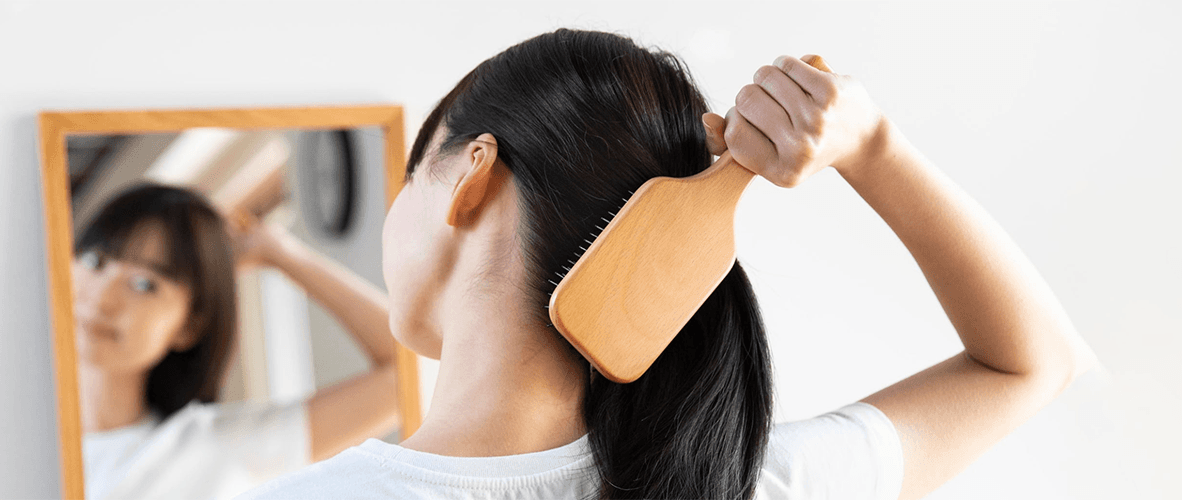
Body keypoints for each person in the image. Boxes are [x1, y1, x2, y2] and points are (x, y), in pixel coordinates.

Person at [239, 29, 1097, 500]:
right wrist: (874, 147)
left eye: (408, 175)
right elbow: (1030, 363)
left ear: (472, 176)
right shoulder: (749, 486)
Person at [72, 183, 398, 500]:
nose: (101, 298)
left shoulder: (215, 447)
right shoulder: (25, 443)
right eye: (94, 262)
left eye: (145, 284)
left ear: (188, 327)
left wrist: (280, 253)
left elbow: (410, 369)